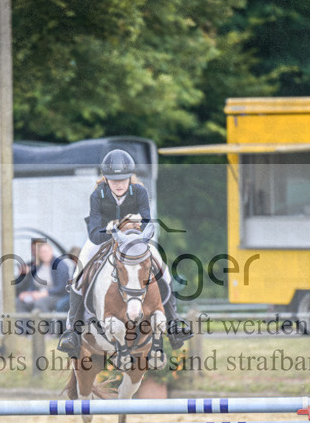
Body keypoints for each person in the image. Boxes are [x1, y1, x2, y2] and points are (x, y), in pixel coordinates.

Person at [57, 149, 192, 357]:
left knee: (162, 268)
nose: (119, 184)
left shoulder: (139, 192)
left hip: (135, 240)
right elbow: (93, 233)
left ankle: (174, 324)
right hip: (102, 239)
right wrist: (113, 232)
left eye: (123, 179)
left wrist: (136, 234)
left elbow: (149, 224)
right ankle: (72, 331)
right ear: (106, 179)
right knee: (78, 275)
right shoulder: (98, 195)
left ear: (130, 177)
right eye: (113, 180)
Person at [16, 241, 69, 315]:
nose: (44, 254)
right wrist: (28, 293)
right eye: (41, 252)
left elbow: (61, 287)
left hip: (55, 296)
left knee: (40, 303)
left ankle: (46, 326)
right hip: (37, 294)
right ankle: (25, 326)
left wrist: (43, 294)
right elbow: (32, 286)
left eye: (45, 251)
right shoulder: (38, 266)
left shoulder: (60, 265)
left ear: (51, 251)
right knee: (19, 302)